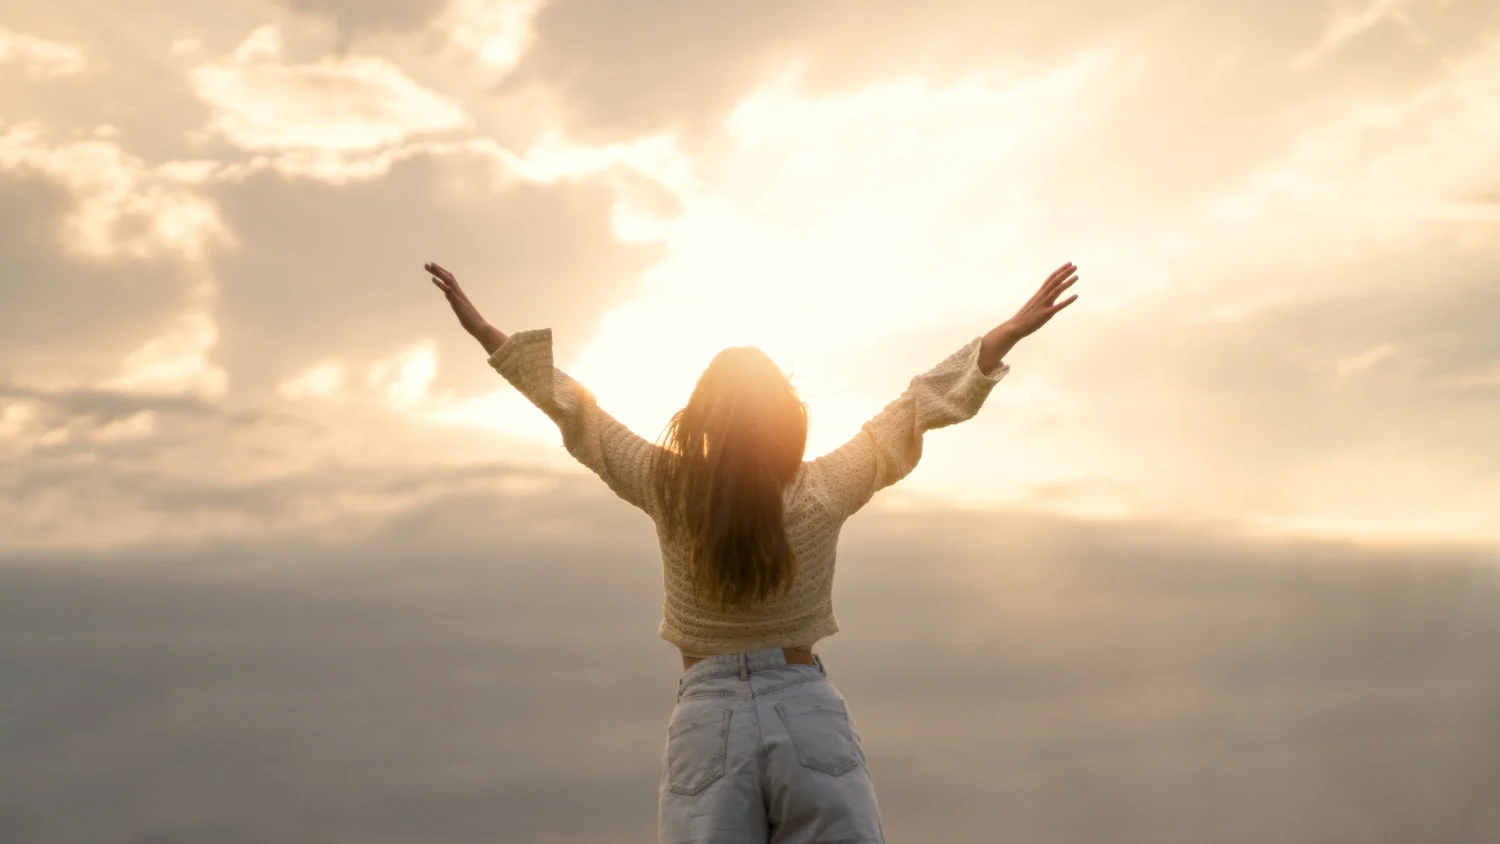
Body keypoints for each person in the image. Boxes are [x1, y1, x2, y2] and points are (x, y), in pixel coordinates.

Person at [425, 260, 1079, 844]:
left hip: (708, 718)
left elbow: (577, 413)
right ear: (787, 416)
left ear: (700, 416)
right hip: (805, 710)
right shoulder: (823, 489)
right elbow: (912, 411)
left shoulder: (668, 487)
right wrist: (1002, 338)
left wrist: (487, 332)